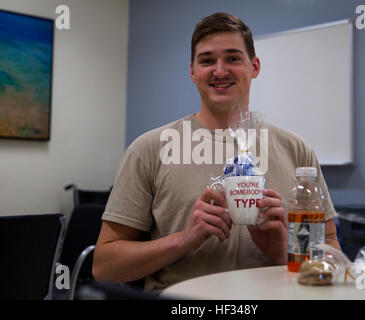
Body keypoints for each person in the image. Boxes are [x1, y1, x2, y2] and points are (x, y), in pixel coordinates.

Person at [93, 12, 341, 293]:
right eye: (207, 60)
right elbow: (105, 267)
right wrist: (184, 240)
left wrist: (283, 250)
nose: (220, 71)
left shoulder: (296, 150)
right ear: (192, 71)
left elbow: (333, 253)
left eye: (233, 58)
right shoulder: (149, 149)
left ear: (255, 66)